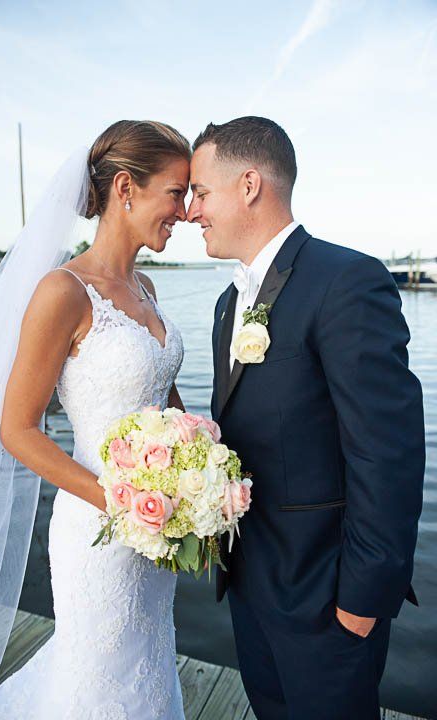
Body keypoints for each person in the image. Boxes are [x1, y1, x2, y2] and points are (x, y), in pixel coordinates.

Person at [187, 115, 425, 720]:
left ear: (248, 185)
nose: (191, 211)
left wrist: (361, 603)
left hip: (327, 600)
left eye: (201, 192)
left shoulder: (346, 281)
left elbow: (387, 453)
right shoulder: (227, 304)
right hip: (251, 589)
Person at [0, 120, 190, 719]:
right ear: (125, 187)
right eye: (175, 192)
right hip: (98, 530)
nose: (185, 211)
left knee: (149, 667)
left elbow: (163, 400)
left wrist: (198, 473)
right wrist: (118, 501)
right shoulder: (63, 292)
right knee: (97, 686)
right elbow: (17, 429)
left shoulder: (147, 288)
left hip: (155, 525)